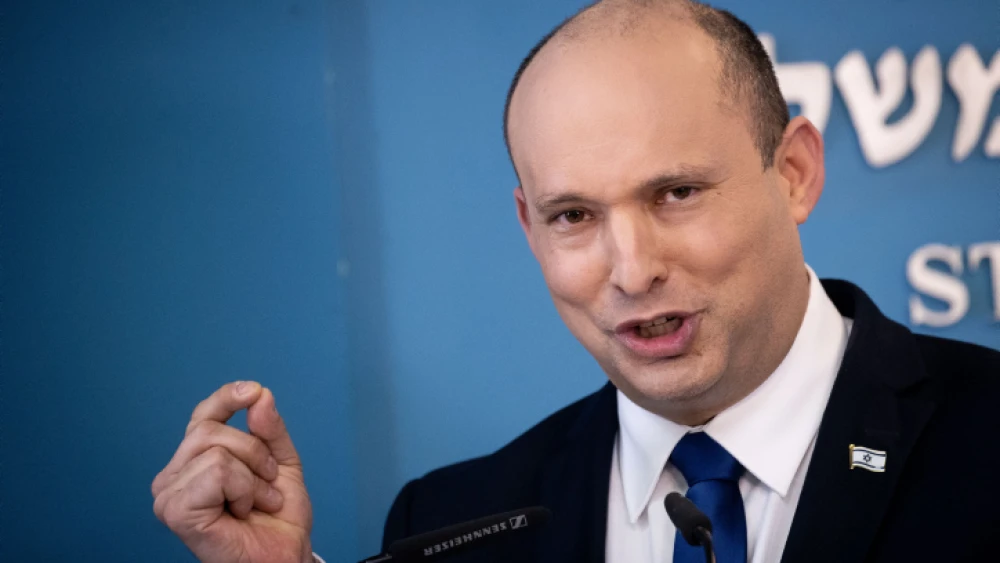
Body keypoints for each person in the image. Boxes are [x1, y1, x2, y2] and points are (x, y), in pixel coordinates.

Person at [152, 1, 1000, 562]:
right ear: (528, 226)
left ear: (794, 173)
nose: (631, 270)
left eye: (676, 193)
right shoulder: (447, 525)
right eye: (573, 216)